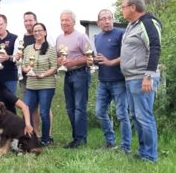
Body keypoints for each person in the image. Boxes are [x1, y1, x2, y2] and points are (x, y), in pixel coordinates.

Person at [120, 0, 161, 162]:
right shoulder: (131, 25)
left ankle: (150, 156)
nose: (121, 10)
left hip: (142, 78)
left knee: (144, 116)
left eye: (123, 6)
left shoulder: (148, 23)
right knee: (136, 116)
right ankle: (144, 151)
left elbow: (155, 47)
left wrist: (148, 76)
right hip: (131, 78)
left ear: (132, 7)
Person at [89, 9, 132, 152]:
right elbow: (101, 59)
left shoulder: (121, 34)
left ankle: (126, 147)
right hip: (103, 81)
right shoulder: (97, 37)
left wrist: (110, 62)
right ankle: (110, 143)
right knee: (99, 112)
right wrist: (94, 61)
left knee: (121, 114)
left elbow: (127, 55)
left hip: (119, 80)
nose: (107, 21)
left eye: (110, 18)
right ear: (98, 22)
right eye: (104, 18)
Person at [56, 10, 93, 149]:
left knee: (79, 108)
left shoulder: (81, 37)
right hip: (67, 75)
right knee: (70, 108)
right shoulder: (59, 38)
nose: (64, 23)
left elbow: (89, 56)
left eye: (67, 20)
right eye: (62, 20)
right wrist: (59, 61)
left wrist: (73, 62)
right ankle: (76, 138)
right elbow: (58, 57)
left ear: (73, 22)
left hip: (80, 74)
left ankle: (80, 139)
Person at [20, 11, 54, 140]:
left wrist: (43, 75)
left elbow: (54, 67)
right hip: (31, 84)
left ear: (45, 32)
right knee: (27, 109)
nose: (37, 33)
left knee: (44, 112)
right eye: (35, 31)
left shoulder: (50, 47)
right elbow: (23, 65)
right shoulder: (27, 47)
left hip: (46, 84)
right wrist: (26, 69)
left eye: (40, 30)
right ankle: (32, 135)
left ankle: (47, 138)